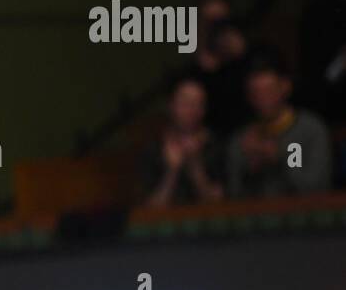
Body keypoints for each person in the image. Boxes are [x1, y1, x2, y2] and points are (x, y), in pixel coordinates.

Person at [226, 53, 333, 198]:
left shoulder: (311, 130)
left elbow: (318, 188)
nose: (263, 99)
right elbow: (232, 198)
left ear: (285, 87)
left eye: (269, 91)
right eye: (256, 93)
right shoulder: (242, 139)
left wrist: (280, 158)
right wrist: (250, 171)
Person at [142, 77, 225, 207]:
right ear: (171, 106)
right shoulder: (153, 149)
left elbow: (221, 205)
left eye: (198, 103)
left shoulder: (216, 145)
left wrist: (195, 166)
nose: (191, 110)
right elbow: (150, 209)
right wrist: (172, 171)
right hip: (166, 224)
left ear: (204, 110)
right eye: (185, 103)